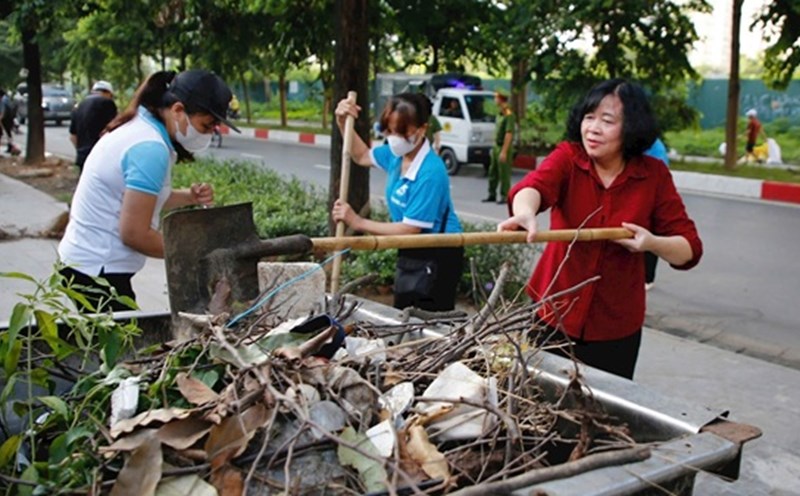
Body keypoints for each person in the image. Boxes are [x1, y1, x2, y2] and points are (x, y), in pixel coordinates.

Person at [498, 79, 702, 379]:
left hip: (616, 326)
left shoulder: (653, 175)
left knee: (602, 417)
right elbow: (533, 187)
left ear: (631, 127)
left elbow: (689, 249)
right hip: (553, 313)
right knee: (540, 406)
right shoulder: (569, 157)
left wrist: (651, 243)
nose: (593, 128)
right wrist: (525, 213)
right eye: (589, 117)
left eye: (607, 121)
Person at [58, 69, 240, 312]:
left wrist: (189, 197)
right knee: (125, 345)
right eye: (206, 125)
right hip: (96, 271)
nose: (208, 134)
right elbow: (135, 234)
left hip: (84, 263)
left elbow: (138, 200)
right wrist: (198, 255)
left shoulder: (142, 128)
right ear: (177, 110)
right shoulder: (150, 148)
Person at [332, 92, 464, 311]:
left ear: (422, 129)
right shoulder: (397, 155)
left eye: (401, 132)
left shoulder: (430, 172)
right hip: (411, 249)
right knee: (404, 314)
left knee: (425, 323)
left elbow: (411, 228)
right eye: (389, 131)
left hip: (438, 253)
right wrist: (343, 122)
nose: (394, 138)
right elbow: (361, 155)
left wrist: (357, 222)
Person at [69, 80, 118, 172]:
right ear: (108, 93)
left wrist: (81, 150)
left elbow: (72, 136)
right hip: (101, 157)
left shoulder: (79, 105)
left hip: (82, 157)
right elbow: (114, 128)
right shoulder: (107, 102)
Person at [643, 137, 669, 291]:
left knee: (649, 236)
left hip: (651, 190)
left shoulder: (647, 144)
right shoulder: (653, 142)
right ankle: (647, 277)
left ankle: (647, 278)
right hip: (652, 189)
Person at [483, 90, 514, 204]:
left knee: (503, 172)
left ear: (501, 99)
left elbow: (509, 133)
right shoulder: (500, 113)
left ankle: (505, 195)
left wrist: (504, 151)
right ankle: (492, 194)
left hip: (503, 147)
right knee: (493, 171)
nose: (495, 100)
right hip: (496, 146)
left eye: (496, 97)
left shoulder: (508, 115)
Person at [0, 88, 20, 155]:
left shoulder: (3, 100)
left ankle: (11, 146)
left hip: (7, 119)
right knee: (8, 133)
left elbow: (3, 111)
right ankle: (10, 146)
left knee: (6, 133)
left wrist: (1, 118)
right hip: (9, 118)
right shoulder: (6, 99)